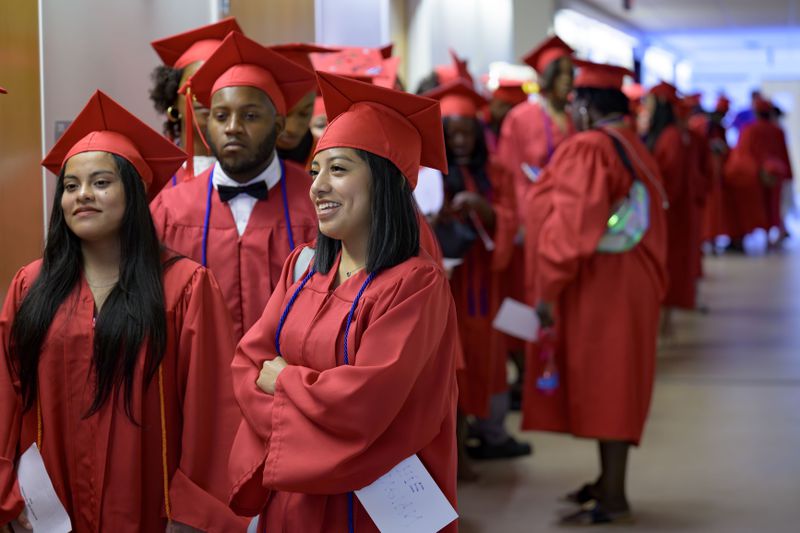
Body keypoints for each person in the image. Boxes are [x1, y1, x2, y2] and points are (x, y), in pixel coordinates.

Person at [0, 91, 246, 532]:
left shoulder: (185, 286)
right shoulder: (31, 287)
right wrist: (10, 496)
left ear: (132, 193)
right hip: (50, 510)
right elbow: (5, 396)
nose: (82, 196)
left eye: (100, 182)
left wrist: (193, 514)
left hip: (152, 507)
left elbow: (214, 410)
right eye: (71, 186)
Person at [227, 72, 459, 532]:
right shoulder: (304, 267)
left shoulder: (415, 285)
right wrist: (301, 406)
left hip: (370, 506)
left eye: (338, 169)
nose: (317, 187)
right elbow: (248, 365)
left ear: (384, 182)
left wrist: (287, 380)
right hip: (292, 498)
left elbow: (366, 403)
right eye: (315, 171)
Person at [524, 61, 668, 525]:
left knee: (608, 381)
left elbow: (571, 228)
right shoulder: (630, 143)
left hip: (603, 286)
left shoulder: (589, 147)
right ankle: (607, 482)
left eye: (574, 104)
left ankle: (614, 494)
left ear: (585, 106)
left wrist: (547, 290)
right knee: (620, 377)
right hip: (627, 280)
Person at [150, 32, 319, 341]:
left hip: (287, 381)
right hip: (197, 381)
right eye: (220, 115)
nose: (232, 128)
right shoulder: (168, 210)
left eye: (250, 116)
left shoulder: (317, 204)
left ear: (279, 125)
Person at [423, 80, 525, 466]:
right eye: (453, 134)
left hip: (482, 281)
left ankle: (480, 436)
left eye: (468, 133)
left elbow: (511, 217)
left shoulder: (495, 170)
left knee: (484, 357)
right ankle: (455, 450)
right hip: (446, 282)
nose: (462, 141)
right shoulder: (428, 172)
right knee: (446, 361)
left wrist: (485, 209)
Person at [149, 18, 242, 183]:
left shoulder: (254, 173)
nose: (204, 95)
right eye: (193, 83)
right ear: (173, 100)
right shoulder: (151, 175)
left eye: (217, 83)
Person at [643, 81, 697, 335]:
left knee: (668, 267)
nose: (646, 108)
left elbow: (669, 183)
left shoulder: (671, 137)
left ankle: (664, 325)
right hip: (670, 213)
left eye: (650, 103)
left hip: (670, 216)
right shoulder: (671, 135)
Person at [272, 43, 338, 168]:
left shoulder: (331, 157)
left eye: (304, 114)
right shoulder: (242, 161)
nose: (292, 128)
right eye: (284, 114)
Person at [737, 96, 793, 241]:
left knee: (761, 206)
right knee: (773, 205)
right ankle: (773, 234)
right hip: (775, 174)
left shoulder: (749, 130)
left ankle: (766, 234)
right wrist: (787, 174)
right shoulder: (777, 130)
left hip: (758, 174)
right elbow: (783, 153)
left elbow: (744, 154)